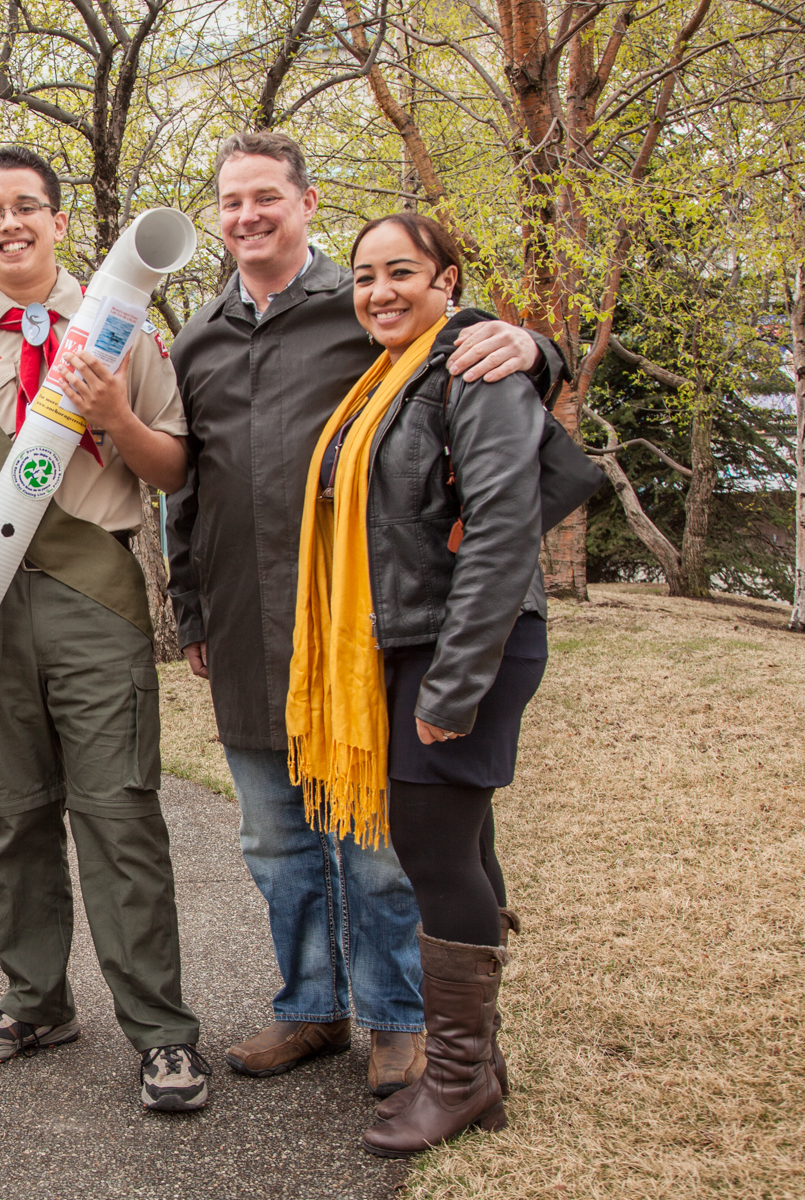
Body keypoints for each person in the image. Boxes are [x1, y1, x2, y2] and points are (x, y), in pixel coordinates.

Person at [165, 131, 563, 1096]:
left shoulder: (360, 308)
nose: (249, 215)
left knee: (375, 842)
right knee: (274, 840)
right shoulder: (197, 338)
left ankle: (398, 1017)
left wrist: (537, 345)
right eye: (231, 202)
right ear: (217, 219)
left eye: (268, 196)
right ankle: (310, 1009)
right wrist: (190, 606)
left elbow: (470, 365)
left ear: (306, 202)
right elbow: (191, 487)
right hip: (247, 621)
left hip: (360, 629)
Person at [0, 146, 210, 1113]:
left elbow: (172, 471)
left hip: (95, 598)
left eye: (26, 206)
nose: (9, 224)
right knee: (17, 811)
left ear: (60, 221)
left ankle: (161, 1033)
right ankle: (35, 1002)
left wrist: (114, 411)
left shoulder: (127, 332)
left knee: (118, 815)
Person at [287, 212, 571, 1155]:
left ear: (448, 280)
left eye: (401, 271)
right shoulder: (387, 380)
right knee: (459, 844)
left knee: (434, 850)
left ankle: (452, 1082)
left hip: (466, 646)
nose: (379, 291)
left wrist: (453, 687)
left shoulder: (475, 369)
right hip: (411, 642)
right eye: (364, 276)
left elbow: (501, 532)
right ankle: (479, 1070)